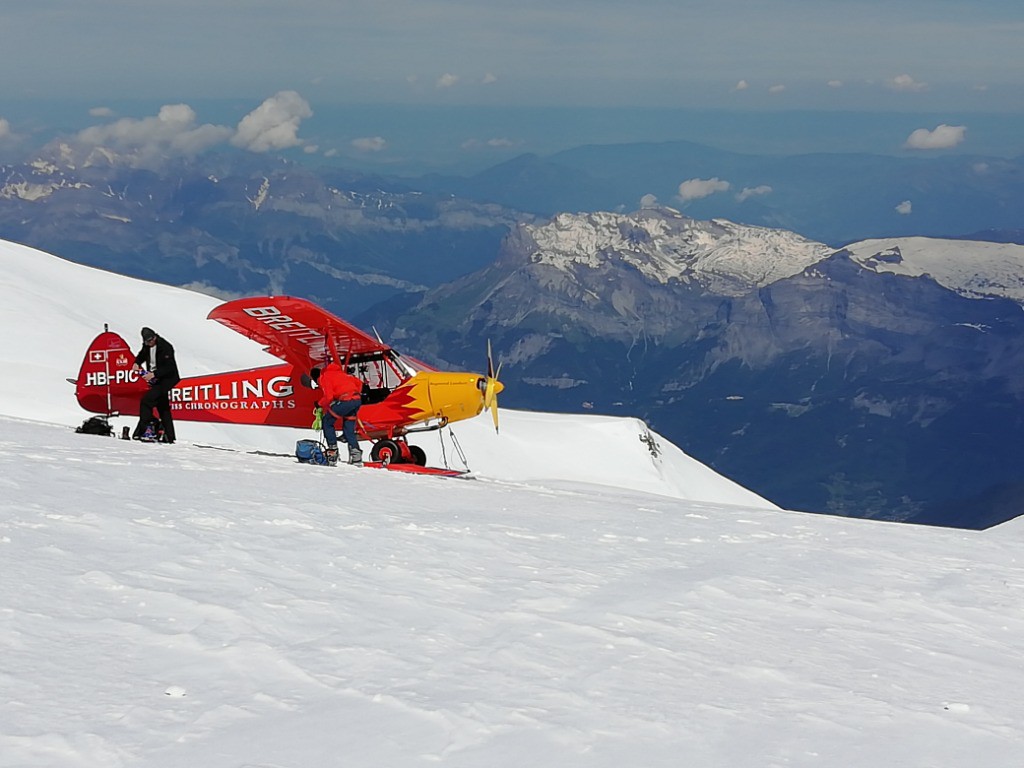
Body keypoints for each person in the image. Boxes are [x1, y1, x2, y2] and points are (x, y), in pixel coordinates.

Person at [131, 327, 181, 443]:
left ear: (155, 337)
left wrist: (153, 374)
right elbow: (142, 354)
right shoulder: (147, 346)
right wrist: (137, 363)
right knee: (163, 408)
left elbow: (169, 368)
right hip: (156, 379)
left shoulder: (165, 347)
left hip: (167, 379)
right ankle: (170, 436)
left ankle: (145, 429)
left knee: (146, 401)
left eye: (152, 339)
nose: (150, 342)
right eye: (148, 341)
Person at [317, 361, 364, 465]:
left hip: (345, 400)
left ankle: (332, 453)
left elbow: (328, 396)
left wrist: (319, 404)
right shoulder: (343, 374)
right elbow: (359, 383)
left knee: (327, 421)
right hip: (356, 400)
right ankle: (356, 457)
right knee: (348, 428)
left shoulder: (326, 376)